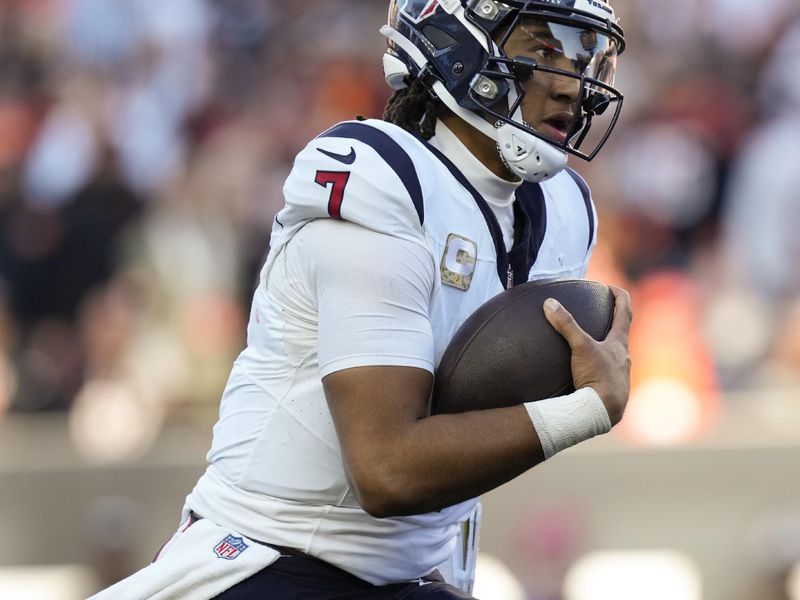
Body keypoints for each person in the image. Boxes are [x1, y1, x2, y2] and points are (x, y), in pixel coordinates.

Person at [91, 0, 632, 598]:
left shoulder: (561, 210)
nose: (571, 86)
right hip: (272, 559)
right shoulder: (382, 177)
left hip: (407, 573)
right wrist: (585, 410)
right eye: (545, 48)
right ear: (457, 39)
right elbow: (386, 469)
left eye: (584, 55)